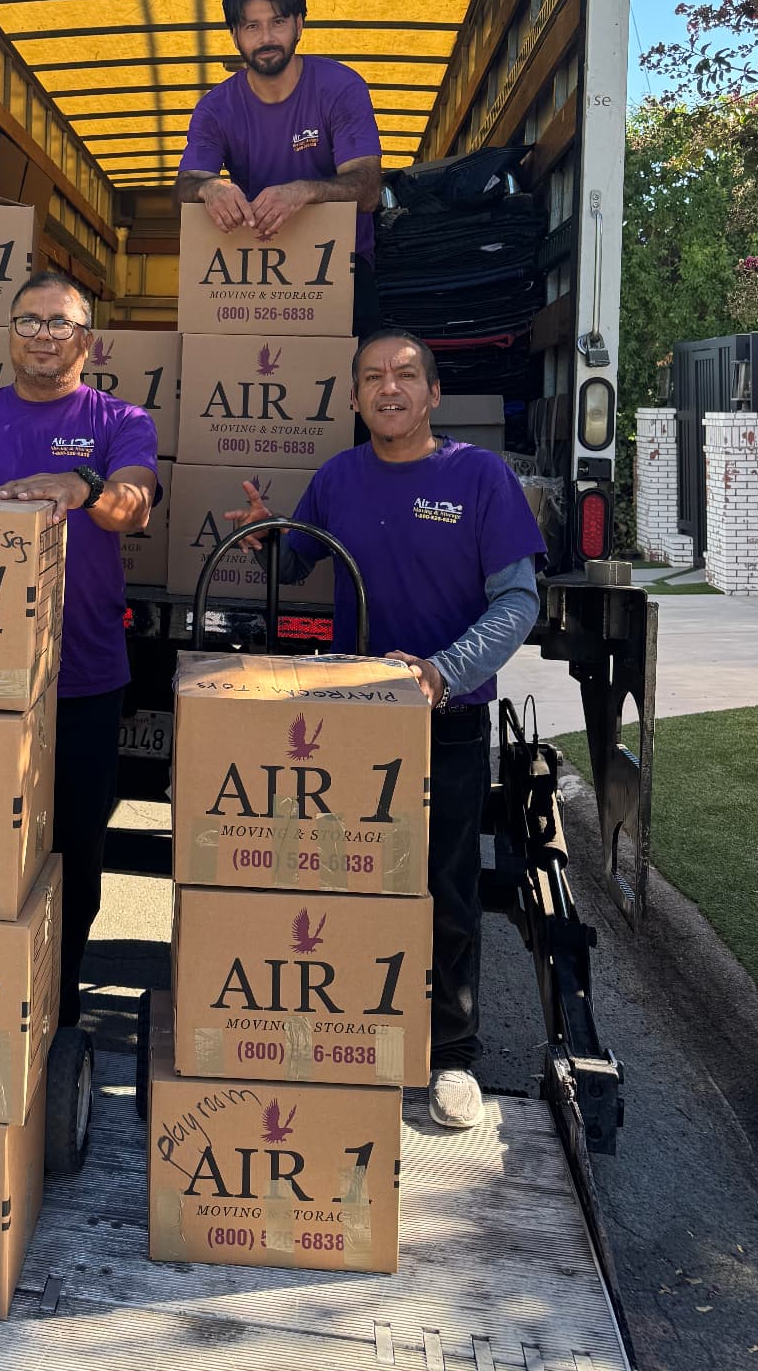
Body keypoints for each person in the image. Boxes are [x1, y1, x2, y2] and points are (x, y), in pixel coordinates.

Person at [226, 330, 545, 1129]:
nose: (389, 388)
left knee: (443, 891)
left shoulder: (478, 477)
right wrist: (269, 533)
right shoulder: (337, 476)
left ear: (434, 395)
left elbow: (518, 601)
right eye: (373, 377)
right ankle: (345, 1041)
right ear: (357, 397)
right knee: (344, 886)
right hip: (351, 724)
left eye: (406, 376)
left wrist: (444, 669)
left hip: (448, 718)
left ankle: (451, 1055)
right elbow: (297, 561)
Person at [0, 272, 160, 1036]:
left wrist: (83, 486)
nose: (44, 335)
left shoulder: (120, 420)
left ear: (88, 341)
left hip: (79, 675)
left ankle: (59, 1004)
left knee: (76, 849)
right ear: (9, 333)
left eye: (61, 323)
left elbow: (134, 502)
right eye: (30, 321)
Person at [174, 0, 384, 337]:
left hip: (343, 270)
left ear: (299, 25)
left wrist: (305, 191)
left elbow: (368, 190)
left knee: (348, 388)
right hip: (252, 274)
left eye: (278, 22)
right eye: (252, 26)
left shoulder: (341, 87)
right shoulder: (214, 107)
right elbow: (185, 187)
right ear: (235, 35)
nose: (266, 37)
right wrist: (209, 189)